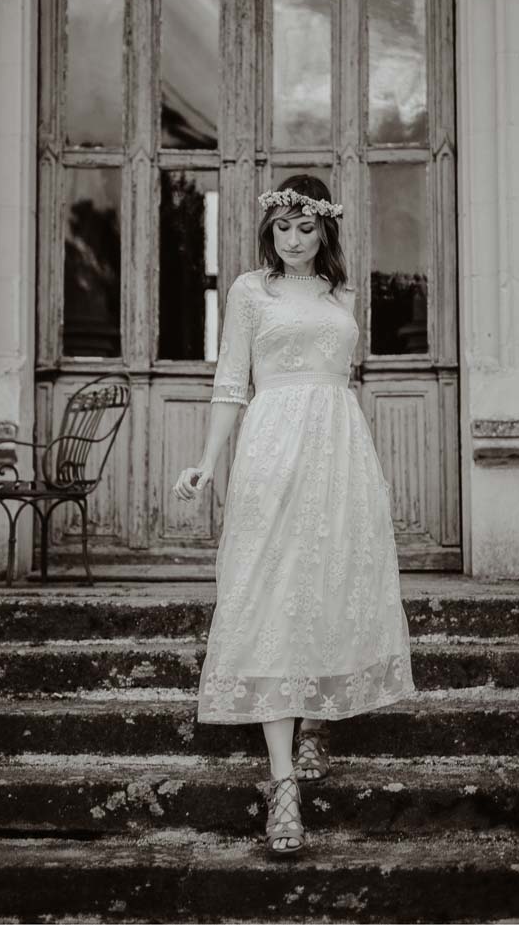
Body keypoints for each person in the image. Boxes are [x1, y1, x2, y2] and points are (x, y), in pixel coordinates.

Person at [173, 175, 414, 860]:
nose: (292, 238)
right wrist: (209, 460)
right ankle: (283, 785)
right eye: (282, 227)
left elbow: (341, 376)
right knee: (269, 593)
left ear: (326, 230)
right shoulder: (252, 291)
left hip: (339, 449)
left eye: (305, 227)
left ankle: (313, 718)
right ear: (268, 232)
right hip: (272, 443)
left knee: (329, 588)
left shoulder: (343, 295)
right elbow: (231, 379)